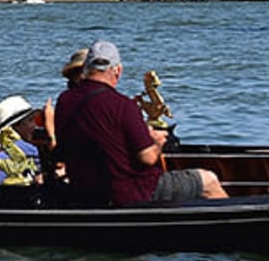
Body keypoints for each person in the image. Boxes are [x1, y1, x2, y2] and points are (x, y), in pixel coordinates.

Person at [52, 39, 225, 205]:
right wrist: (157, 141)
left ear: (86, 69)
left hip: (85, 191)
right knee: (208, 180)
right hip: (131, 192)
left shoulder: (64, 101)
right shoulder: (123, 105)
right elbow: (148, 157)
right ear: (117, 71)